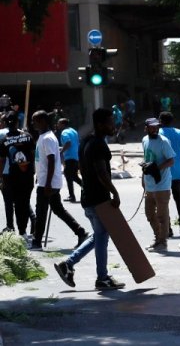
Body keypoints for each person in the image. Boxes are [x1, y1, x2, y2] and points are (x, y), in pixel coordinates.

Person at [53, 108, 126, 290]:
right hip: (99, 199)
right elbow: (101, 173)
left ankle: (69, 264)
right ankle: (101, 277)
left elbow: (81, 167)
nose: (113, 126)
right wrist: (115, 193)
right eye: (110, 123)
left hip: (88, 197)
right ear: (101, 125)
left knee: (99, 235)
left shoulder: (86, 141)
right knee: (101, 236)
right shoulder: (99, 145)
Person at [30, 110, 89, 251]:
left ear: (43, 121)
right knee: (58, 210)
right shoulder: (43, 137)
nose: (33, 124)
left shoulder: (48, 138)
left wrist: (48, 183)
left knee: (41, 211)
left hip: (48, 183)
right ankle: (81, 232)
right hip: (45, 180)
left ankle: (37, 241)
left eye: (35, 121)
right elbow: (43, 160)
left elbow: (51, 160)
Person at [141, 117, 175, 250]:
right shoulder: (144, 140)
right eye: (152, 127)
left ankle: (162, 242)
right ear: (146, 128)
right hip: (149, 184)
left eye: (157, 127)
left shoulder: (164, 142)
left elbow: (171, 160)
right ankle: (157, 238)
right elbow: (145, 159)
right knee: (149, 214)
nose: (155, 129)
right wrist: (143, 178)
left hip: (162, 184)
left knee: (162, 215)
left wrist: (156, 168)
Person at [1, 111, 35, 236]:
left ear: (6, 123)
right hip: (27, 176)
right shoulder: (28, 136)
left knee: (17, 204)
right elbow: (33, 155)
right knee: (24, 203)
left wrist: (1, 179)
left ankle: (22, 231)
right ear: (17, 122)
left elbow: (2, 161)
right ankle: (23, 231)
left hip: (14, 176)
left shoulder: (5, 140)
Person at [158, 112, 180, 236]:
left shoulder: (158, 133)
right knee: (179, 199)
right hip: (178, 171)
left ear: (160, 121)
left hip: (164, 171)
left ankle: (168, 229)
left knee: (164, 201)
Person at [56, 119, 82, 203]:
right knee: (73, 176)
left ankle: (72, 196)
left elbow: (68, 143)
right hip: (76, 156)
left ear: (63, 124)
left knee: (68, 175)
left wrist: (61, 152)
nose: (57, 125)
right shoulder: (73, 131)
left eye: (59, 123)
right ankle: (87, 188)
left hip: (69, 157)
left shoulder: (64, 132)